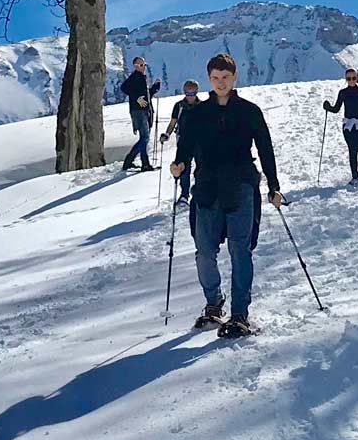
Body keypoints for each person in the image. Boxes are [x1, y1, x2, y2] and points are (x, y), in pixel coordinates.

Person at [171, 53, 282, 337]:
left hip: (242, 184)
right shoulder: (197, 114)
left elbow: (265, 149)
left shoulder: (249, 111)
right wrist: (179, 162)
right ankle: (213, 303)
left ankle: (240, 313)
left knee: (239, 250)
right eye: (215, 78)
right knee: (204, 252)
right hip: (207, 186)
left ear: (234, 78)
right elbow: (185, 145)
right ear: (209, 79)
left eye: (225, 77)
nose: (220, 83)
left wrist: (273, 185)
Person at [160, 79, 201, 204]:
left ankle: (200, 191)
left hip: (199, 141)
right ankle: (184, 195)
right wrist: (167, 134)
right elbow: (173, 122)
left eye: (193, 93)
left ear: (196, 92)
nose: (190, 96)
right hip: (183, 141)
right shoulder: (179, 106)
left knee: (201, 167)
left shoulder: (202, 106)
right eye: (188, 94)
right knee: (182, 167)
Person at [120, 56, 161, 172]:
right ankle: (143, 163)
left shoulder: (141, 78)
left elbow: (145, 96)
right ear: (135, 66)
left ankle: (131, 161)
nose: (143, 67)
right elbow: (124, 88)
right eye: (141, 65)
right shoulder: (135, 77)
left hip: (142, 110)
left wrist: (154, 89)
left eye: (144, 65)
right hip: (139, 111)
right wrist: (137, 98)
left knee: (144, 137)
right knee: (145, 137)